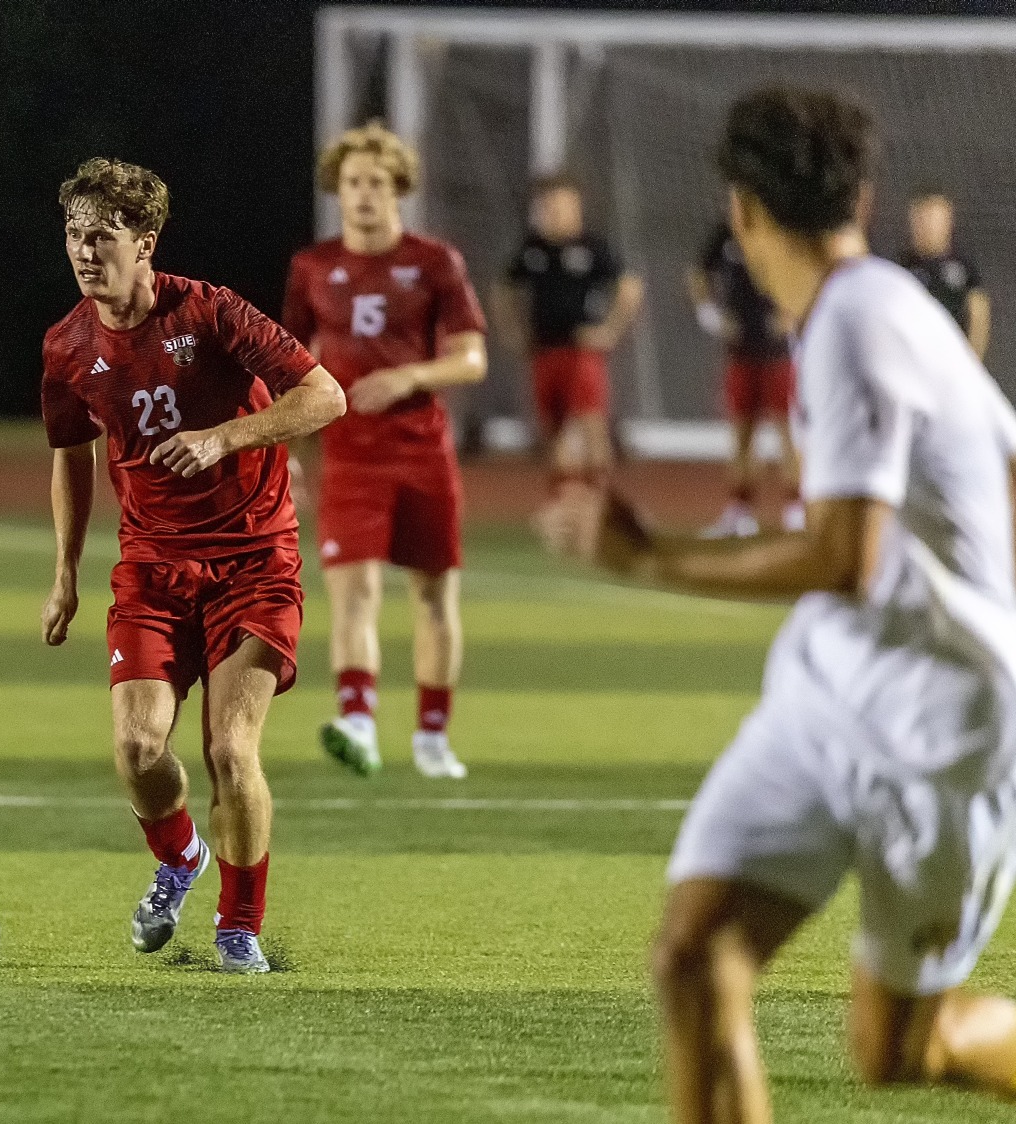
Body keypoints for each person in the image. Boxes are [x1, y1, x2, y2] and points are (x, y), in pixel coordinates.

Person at [540, 87, 1016, 1123]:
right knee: (694, 957)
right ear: (860, 197)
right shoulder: (895, 303)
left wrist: (647, 557)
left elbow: (844, 558)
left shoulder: (854, 323)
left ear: (740, 209)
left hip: (943, 742)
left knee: (898, 1049)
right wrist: (979, 617)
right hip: (830, 698)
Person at [39, 158, 345, 973]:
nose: (84, 252)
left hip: (255, 562)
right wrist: (65, 572)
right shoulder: (67, 346)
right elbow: (71, 454)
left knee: (231, 751)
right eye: (73, 235)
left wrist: (223, 438)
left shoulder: (210, 312)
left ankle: (238, 927)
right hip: (151, 569)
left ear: (145, 244)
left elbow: (326, 397)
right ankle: (180, 858)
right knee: (138, 751)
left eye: (102, 237)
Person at [282, 120, 485, 779]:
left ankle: (432, 737)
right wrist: (284, 450)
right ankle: (359, 724)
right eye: (352, 182)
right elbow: (290, 366)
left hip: (422, 451)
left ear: (398, 188)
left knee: (434, 597)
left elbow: (472, 358)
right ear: (337, 190)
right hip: (349, 456)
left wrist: (409, 376)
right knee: (354, 592)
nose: (363, 194)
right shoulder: (312, 268)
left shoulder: (435, 263)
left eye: (376, 182)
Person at [494, 175, 644, 490]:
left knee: (591, 425)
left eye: (562, 205)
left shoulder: (593, 247)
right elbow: (503, 290)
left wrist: (609, 330)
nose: (555, 213)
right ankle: (561, 501)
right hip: (544, 350)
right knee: (552, 431)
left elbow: (630, 288)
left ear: (576, 207)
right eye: (549, 206)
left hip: (581, 351)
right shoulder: (532, 250)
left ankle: (600, 500)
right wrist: (512, 332)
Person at [689, 220, 803, 538]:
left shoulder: (783, 227)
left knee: (788, 435)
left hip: (779, 353)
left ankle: (795, 511)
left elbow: (807, 272)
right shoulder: (725, 234)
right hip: (740, 350)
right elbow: (699, 273)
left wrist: (792, 313)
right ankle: (740, 512)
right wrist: (710, 315)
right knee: (741, 436)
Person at [897, 189, 990, 361]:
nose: (929, 226)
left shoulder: (963, 267)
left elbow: (979, 313)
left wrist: (971, 363)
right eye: (923, 218)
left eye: (935, 218)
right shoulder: (900, 268)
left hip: (950, 360)